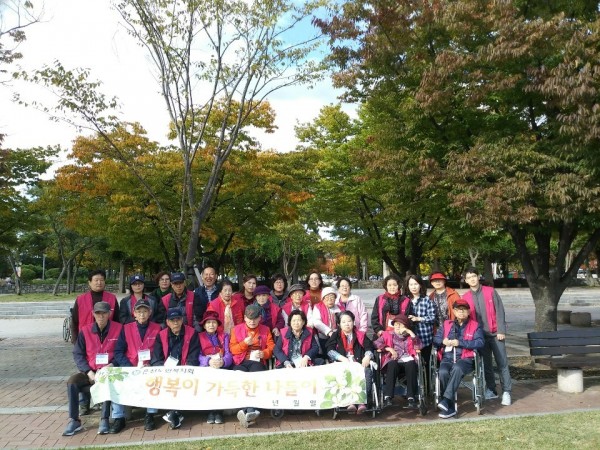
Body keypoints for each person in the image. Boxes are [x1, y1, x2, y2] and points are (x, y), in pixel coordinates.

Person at [62, 301, 122, 436]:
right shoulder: (85, 331)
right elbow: (78, 354)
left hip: (108, 370)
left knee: (106, 380)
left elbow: (122, 352)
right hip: (90, 371)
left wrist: (111, 365)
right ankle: (74, 420)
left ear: (109, 314)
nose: (101, 316)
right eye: (98, 313)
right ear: (93, 314)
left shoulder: (119, 329)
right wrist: (89, 372)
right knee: (72, 382)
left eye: (104, 313)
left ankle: (104, 419)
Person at [462, 267, 512, 406]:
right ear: (466, 281)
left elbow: (500, 311)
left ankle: (507, 391)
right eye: (469, 277)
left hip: (496, 334)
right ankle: (491, 389)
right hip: (480, 337)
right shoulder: (465, 297)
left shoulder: (490, 291)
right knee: (486, 365)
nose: (472, 279)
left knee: (502, 363)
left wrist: (501, 330)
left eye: (474, 276)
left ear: (478, 277)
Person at [112, 299, 162, 432]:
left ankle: (150, 415)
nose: (142, 314)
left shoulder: (157, 328)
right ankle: (118, 418)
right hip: (130, 367)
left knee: (154, 380)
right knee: (116, 382)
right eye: (139, 312)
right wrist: (129, 367)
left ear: (150, 312)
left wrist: (151, 365)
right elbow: (118, 352)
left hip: (149, 367)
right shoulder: (126, 328)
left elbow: (160, 351)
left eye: (145, 311)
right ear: (134, 313)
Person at [433, 298, 484, 418]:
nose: (461, 312)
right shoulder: (447, 324)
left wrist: (460, 343)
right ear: (454, 312)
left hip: (465, 359)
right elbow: (436, 339)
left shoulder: (475, 326)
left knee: (457, 368)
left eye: (464, 309)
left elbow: (480, 342)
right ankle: (449, 408)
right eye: (458, 309)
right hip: (448, 357)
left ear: (468, 312)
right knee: (443, 372)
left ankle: (446, 400)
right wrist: (443, 341)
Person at [151, 307, 201, 429]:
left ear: (182, 320)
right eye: (172, 320)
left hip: (185, 370)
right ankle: (175, 413)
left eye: (178, 319)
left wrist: (184, 370)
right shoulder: (161, 335)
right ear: (167, 322)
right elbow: (156, 358)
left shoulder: (192, 333)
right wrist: (165, 370)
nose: (175, 322)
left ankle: (174, 413)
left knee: (182, 381)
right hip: (167, 371)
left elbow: (193, 356)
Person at [229, 304, 276, 428]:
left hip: (257, 361)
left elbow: (271, 347)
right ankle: (250, 411)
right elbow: (233, 349)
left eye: (255, 318)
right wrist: (244, 343)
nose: (252, 321)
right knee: (240, 378)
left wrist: (264, 353)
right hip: (241, 361)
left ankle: (246, 411)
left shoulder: (265, 329)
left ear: (260, 318)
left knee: (255, 379)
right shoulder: (236, 329)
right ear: (245, 318)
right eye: (249, 319)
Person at [326, 310, 375, 415]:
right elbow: (329, 349)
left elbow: (369, 347)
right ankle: (350, 402)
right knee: (345, 374)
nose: (347, 324)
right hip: (343, 363)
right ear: (339, 324)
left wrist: (367, 356)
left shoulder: (360, 334)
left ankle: (362, 402)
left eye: (349, 321)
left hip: (359, 363)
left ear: (353, 322)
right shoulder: (336, 335)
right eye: (343, 322)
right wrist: (341, 358)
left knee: (367, 372)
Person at [373, 314, 421, 409]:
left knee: (411, 364)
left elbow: (419, 346)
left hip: (408, 360)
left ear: (406, 326)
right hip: (394, 360)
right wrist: (389, 349)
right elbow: (376, 343)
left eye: (400, 324)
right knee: (392, 364)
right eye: (396, 324)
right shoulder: (387, 334)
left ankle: (411, 397)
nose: (398, 326)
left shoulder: (410, 336)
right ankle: (388, 397)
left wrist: (410, 332)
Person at [198, 310, 233, 425]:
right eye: (208, 323)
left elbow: (228, 353)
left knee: (220, 382)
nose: (211, 325)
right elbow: (197, 355)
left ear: (217, 324)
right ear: (204, 325)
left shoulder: (224, 336)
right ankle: (211, 411)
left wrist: (223, 362)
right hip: (206, 367)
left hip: (220, 366)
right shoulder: (199, 337)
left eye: (214, 322)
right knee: (209, 383)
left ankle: (219, 412)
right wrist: (208, 361)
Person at [70, 269, 119, 344]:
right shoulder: (80, 299)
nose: (99, 283)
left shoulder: (112, 298)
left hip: (107, 340)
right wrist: (75, 341)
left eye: (101, 280)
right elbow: (74, 321)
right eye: (96, 280)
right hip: (85, 339)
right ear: (89, 282)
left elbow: (117, 320)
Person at [404, 274, 436, 376]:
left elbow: (433, 317)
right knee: (411, 364)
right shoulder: (405, 300)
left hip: (424, 337)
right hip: (408, 339)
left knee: (425, 364)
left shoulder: (427, 300)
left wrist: (419, 318)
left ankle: (427, 385)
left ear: (420, 285)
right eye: (411, 284)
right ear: (407, 286)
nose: (413, 287)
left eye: (416, 284)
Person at [312, 286, 342, 356]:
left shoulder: (339, 308)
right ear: (323, 299)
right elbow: (316, 322)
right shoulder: (318, 307)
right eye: (327, 297)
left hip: (337, 336)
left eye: (332, 297)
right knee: (325, 353)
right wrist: (329, 332)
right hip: (323, 336)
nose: (330, 299)